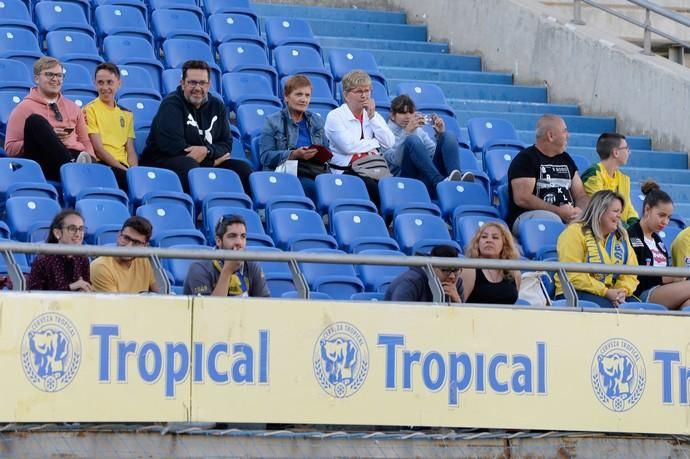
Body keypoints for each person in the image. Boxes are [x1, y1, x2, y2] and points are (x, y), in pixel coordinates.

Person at [141, 60, 253, 193]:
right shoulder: (170, 105)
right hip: (162, 162)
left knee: (243, 169)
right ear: (182, 83)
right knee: (188, 165)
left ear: (209, 85)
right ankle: (193, 210)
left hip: (200, 160)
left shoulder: (217, 105)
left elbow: (226, 145)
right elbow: (175, 148)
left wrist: (207, 150)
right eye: (192, 82)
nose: (197, 88)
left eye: (202, 83)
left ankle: (240, 210)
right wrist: (212, 162)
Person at [4, 56, 95, 181]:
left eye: (59, 75)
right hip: (43, 162)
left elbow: (86, 142)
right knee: (36, 121)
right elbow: (10, 149)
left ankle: (79, 168)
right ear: (36, 78)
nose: (55, 79)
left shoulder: (73, 107)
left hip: (77, 157)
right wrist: (46, 136)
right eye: (49, 74)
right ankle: (72, 167)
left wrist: (91, 159)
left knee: (120, 175)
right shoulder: (23, 108)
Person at [555, 190, 639, 308]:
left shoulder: (621, 237)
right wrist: (605, 292)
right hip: (574, 292)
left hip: (609, 294)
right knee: (610, 311)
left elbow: (631, 273)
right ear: (600, 211)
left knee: (642, 311)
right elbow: (572, 275)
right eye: (615, 211)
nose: (619, 216)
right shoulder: (574, 232)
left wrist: (621, 291)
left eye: (620, 212)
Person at [507, 114, 589, 235]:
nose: (568, 136)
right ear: (550, 136)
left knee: (601, 219)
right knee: (553, 221)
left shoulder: (566, 159)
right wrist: (558, 212)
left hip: (567, 217)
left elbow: (581, 194)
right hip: (529, 218)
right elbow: (522, 198)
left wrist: (580, 210)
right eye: (565, 131)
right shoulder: (526, 159)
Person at [324, 70, 395, 206]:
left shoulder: (373, 115)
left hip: (373, 166)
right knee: (372, 188)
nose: (364, 96)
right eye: (358, 91)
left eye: (367, 91)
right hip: (346, 169)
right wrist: (374, 143)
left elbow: (389, 142)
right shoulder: (335, 116)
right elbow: (348, 147)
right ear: (346, 95)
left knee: (391, 190)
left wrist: (372, 117)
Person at [383, 94, 473, 197]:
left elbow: (432, 155)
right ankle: (440, 182)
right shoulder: (384, 133)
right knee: (412, 140)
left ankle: (455, 181)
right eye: (403, 112)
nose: (408, 116)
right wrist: (406, 133)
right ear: (393, 115)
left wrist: (439, 135)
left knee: (448, 135)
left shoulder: (418, 130)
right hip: (404, 181)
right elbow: (395, 161)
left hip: (425, 178)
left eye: (411, 112)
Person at [259, 74, 330, 201]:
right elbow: (265, 157)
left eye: (307, 95)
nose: (304, 99)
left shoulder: (317, 121)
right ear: (286, 97)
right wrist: (293, 154)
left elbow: (326, 152)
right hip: (289, 173)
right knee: (314, 189)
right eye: (299, 94)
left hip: (314, 171)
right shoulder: (273, 121)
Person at [627, 181, 690, 309]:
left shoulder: (658, 241)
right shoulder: (631, 236)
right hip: (642, 294)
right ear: (647, 209)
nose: (665, 222)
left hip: (663, 291)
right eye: (661, 215)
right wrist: (664, 278)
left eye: (668, 217)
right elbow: (631, 277)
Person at [184, 214, 270, 297]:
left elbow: (265, 306)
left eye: (243, 237)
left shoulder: (252, 265)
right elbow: (208, 310)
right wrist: (227, 270)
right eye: (232, 236)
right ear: (218, 241)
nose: (239, 242)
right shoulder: (199, 268)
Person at [83, 62, 137, 191]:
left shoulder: (127, 114)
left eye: (109, 82)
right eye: (100, 82)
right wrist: (124, 170)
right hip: (104, 165)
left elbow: (130, 150)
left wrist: (135, 171)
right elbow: (98, 149)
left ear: (119, 83)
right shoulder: (89, 110)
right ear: (95, 84)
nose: (105, 87)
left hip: (124, 167)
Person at [27, 209, 93, 292]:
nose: (78, 234)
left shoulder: (83, 259)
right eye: (72, 229)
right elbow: (35, 296)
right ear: (57, 233)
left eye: (81, 229)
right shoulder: (42, 260)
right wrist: (71, 287)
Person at [581, 133, 638, 227]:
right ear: (616, 152)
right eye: (627, 149)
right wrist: (627, 229)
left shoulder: (623, 178)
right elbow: (602, 209)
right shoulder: (594, 174)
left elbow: (629, 209)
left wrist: (636, 227)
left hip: (620, 228)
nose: (629, 152)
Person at [90, 216, 159, 293]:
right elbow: (116, 304)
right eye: (126, 238)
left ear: (145, 246)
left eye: (136, 243)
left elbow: (162, 294)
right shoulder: (101, 267)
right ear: (119, 235)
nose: (128, 247)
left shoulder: (145, 260)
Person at [460, 222, 521, 304]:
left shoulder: (514, 272)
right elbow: (460, 305)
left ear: (504, 243)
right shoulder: (469, 270)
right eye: (484, 237)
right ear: (478, 243)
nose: (489, 240)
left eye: (495, 238)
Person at [384, 245, 463, 303]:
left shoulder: (456, 283)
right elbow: (399, 315)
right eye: (446, 270)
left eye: (455, 270)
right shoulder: (411, 282)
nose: (452, 276)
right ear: (432, 268)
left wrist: (458, 301)